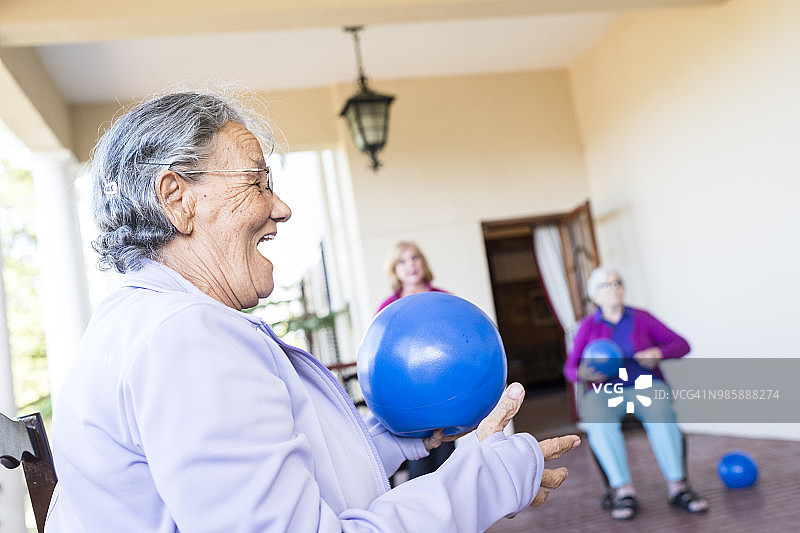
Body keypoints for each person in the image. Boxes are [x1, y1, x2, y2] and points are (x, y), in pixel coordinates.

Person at [46, 90, 581, 532]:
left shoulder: (135, 325)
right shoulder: (186, 339)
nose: (281, 208)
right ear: (178, 198)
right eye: (257, 181)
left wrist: (388, 441)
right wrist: (488, 478)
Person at [563, 266, 708, 520]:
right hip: (605, 390)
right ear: (594, 296)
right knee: (597, 420)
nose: (614, 288)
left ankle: (679, 487)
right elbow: (571, 368)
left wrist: (658, 353)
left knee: (661, 413)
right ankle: (623, 490)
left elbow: (682, 344)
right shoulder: (587, 326)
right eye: (606, 285)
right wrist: (583, 374)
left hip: (645, 386)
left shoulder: (642, 318)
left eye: (617, 283)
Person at [377, 241, 454, 479]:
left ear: (423, 262)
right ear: (395, 269)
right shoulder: (387, 308)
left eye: (415, 258)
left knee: (449, 467)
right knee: (419, 471)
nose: (410, 265)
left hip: (443, 393)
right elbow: (381, 353)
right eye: (402, 261)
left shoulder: (444, 299)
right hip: (408, 399)